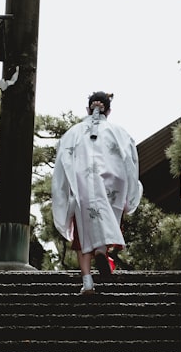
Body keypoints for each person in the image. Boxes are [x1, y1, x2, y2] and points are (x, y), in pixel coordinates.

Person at [51, 91, 143, 295]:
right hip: (111, 189)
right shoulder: (120, 133)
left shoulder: (73, 134)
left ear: (88, 108)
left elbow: (62, 164)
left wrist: (65, 192)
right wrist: (130, 192)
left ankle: (87, 283)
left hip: (82, 189)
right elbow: (130, 163)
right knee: (105, 221)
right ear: (109, 110)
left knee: (82, 236)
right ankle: (101, 251)